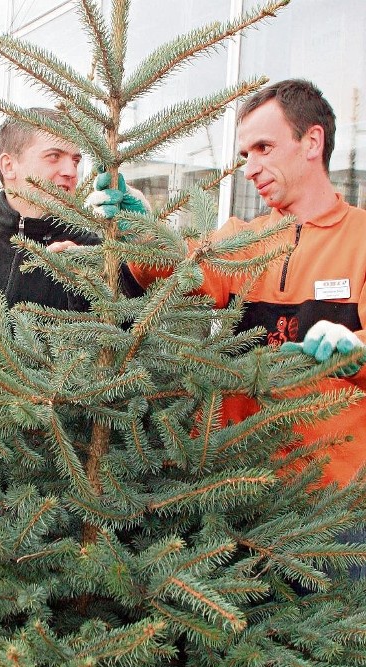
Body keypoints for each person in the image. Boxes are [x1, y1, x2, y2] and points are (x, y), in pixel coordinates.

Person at [92, 78, 366, 491]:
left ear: (312, 142)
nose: (250, 168)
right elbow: (178, 267)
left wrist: (355, 353)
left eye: (264, 148)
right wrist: (141, 233)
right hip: (241, 492)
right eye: (245, 154)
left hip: (331, 512)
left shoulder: (361, 240)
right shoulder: (242, 239)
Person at [0, 108, 147, 318]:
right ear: (9, 166)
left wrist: (145, 237)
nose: (71, 171)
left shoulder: (92, 253)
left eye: (75, 160)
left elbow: (141, 327)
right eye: (54, 156)